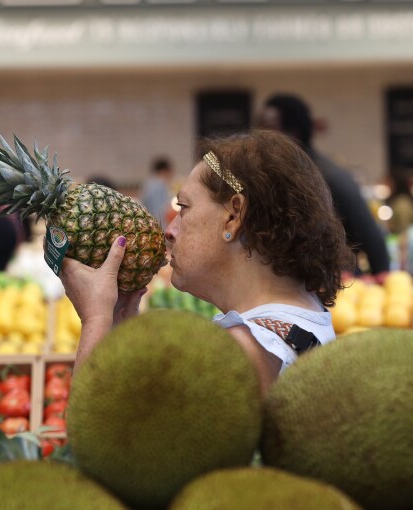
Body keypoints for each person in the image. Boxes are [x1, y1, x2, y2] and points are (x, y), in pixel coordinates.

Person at [60, 130, 355, 394]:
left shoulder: (241, 357)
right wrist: (117, 328)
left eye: (184, 208)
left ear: (233, 214)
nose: (169, 230)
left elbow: (92, 448)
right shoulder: (296, 316)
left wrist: (96, 320)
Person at [258, 94, 390, 276]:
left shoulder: (330, 177)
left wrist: (384, 287)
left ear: (293, 131)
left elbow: (372, 240)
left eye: (269, 128)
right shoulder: (270, 175)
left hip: (337, 292)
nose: (259, 136)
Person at [141, 157, 174, 228]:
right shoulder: (159, 185)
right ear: (164, 171)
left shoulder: (148, 184)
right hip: (156, 226)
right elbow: (159, 211)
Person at [385, 168, 413, 235]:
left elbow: (405, 229)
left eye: (388, 182)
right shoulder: (400, 201)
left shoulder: (402, 203)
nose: (387, 185)